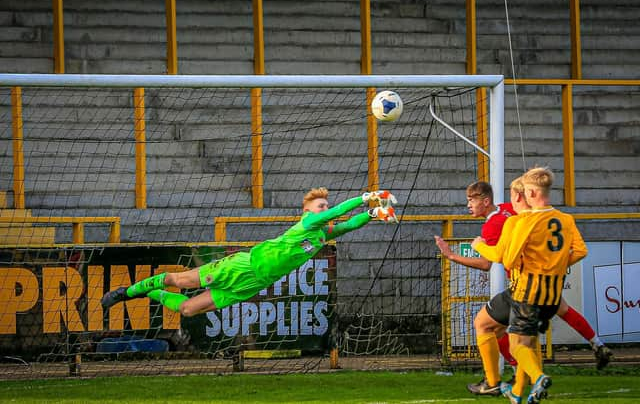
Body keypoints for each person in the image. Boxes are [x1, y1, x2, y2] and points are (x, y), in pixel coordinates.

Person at [101, 188, 399, 315]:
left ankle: (146, 293)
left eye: (325, 205)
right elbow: (333, 214)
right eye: (320, 205)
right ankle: (127, 292)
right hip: (242, 266)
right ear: (307, 210)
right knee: (179, 282)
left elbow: (347, 226)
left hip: (252, 283)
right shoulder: (308, 223)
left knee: (187, 309)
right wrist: (365, 198)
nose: (324, 209)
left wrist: (372, 215)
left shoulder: (321, 236)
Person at [473, 167, 588, 404]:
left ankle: (530, 378)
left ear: (530, 193)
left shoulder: (523, 221)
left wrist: (479, 246)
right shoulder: (565, 219)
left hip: (527, 292)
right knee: (526, 342)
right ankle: (517, 392)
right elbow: (580, 250)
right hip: (552, 297)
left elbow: (508, 259)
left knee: (514, 344)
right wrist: (554, 264)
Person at [435, 181, 518, 396]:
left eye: (472, 200)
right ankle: (520, 372)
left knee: (482, 323)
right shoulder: (508, 209)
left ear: (486, 201)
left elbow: (485, 264)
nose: (468, 205)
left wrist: (451, 255)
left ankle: (493, 383)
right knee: (498, 331)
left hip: (522, 284)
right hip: (531, 281)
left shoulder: (491, 224)